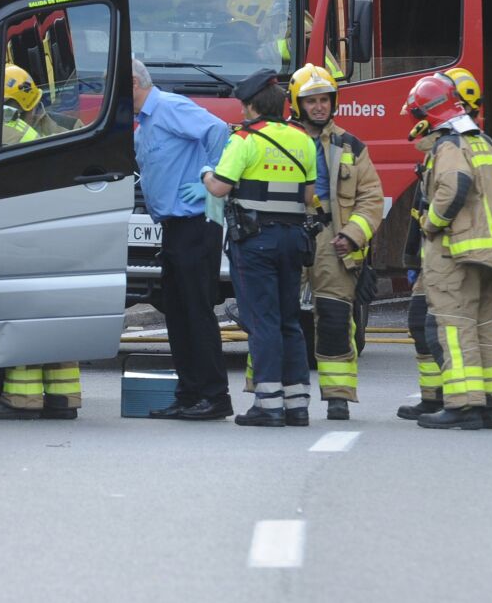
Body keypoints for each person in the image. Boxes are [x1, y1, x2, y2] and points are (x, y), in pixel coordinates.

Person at [402, 72, 492, 430]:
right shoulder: (482, 142)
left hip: (453, 254)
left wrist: (432, 223)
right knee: (483, 328)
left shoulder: (449, 146)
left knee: (455, 330)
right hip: (487, 255)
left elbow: (454, 184)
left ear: (429, 112)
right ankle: (490, 406)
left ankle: (462, 406)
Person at [203, 68, 317, 426]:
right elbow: (311, 196)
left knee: (262, 321)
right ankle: (297, 404)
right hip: (293, 240)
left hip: (255, 243)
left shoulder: (245, 140)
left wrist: (205, 173)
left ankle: (268, 405)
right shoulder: (302, 140)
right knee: (289, 320)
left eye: (243, 106)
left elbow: (219, 188)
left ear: (252, 106)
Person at [0, 64, 82, 420]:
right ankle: (63, 399)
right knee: (56, 318)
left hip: (31, 240)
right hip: (67, 239)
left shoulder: (9, 137)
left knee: (23, 315)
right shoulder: (74, 131)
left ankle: (23, 399)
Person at [132, 58, 233, 421]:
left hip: (195, 222)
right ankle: (189, 393)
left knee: (196, 310)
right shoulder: (143, 126)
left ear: (132, 82)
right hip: (174, 228)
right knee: (177, 313)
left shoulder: (170, 107)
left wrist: (212, 182)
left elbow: (219, 130)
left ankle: (214, 395)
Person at [289, 64, 383, 420]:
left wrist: (352, 235)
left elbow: (371, 198)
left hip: (333, 238)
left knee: (334, 316)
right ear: (298, 104)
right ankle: (273, 394)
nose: (318, 107)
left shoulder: (352, 146)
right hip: (289, 232)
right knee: (280, 315)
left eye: (324, 100)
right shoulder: (281, 139)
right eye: (310, 101)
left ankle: (338, 398)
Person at [398, 66, 483, 421]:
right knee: (422, 323)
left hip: (450, 253)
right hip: (431, 253)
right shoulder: (441, 147)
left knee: (443, 326)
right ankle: (433, 396)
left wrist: (436, 227)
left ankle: (457, 400)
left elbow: (460, 194)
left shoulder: (460, 147)